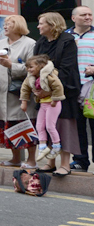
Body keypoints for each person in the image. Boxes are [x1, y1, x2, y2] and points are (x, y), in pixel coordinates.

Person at [34, 11, 81, 177]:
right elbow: (35, 66)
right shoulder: (40, 42)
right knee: (46, 127)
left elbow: (67, 69)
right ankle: (50, 163)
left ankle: (65, 165)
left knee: (63, 127)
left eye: (41, 23)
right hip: (44, 95)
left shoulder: (67, 41)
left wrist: (48, 86)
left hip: (63, 92)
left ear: (52, 25)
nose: (38, 26)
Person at [0, 14, 37, 169]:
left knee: (25, 125)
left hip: (21, 94)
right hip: (3, 92)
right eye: (4, 24)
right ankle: (15, 158)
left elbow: (33, 67)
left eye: (8, 23)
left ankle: (31, 160)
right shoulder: (0, 44)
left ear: (17, 25)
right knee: (9, 125)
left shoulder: (30, 44)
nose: (5, 26)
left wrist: (12, 66)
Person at [19, 54, 65, 162]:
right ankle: (42, 146)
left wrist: (55, 99)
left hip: (53, 104)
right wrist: (24, 102)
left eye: (31, 67)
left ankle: (56, 145)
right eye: (28, 67)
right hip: (43, 104)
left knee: (50, 126)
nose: (29, 70)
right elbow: (25, 88)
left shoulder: (49, 76)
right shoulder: (31, 78)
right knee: (39, 126)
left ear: (40, 66)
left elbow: (58, 86)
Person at [67, 5, 94, 171]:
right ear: (73, 18)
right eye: (84, 14)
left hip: (92, 89)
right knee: (77, 127)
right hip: (73, 88)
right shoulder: (66, 36)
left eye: (90, 14)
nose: (88, 17)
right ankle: (80, 161)